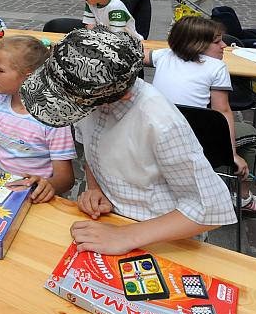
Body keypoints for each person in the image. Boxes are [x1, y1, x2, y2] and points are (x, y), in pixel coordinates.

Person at [20, 27, 237, 255]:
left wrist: (126, 235)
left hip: (159, 237)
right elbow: (91, 148)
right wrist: (95, 188)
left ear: (121, 96)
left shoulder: (160, 122)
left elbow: (209, 208)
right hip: (111, 222)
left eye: (75, 101)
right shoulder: (92, 100)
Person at [146, 16, 256, 213]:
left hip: (156, 134)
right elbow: (222, 111)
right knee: (252, 136)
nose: (224, 45)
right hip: (194, 141)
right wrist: (231, 153)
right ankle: (242, 197)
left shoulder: (164, 55)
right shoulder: (216, 67)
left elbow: (142, 55)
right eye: (217, 42)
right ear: (196, 44)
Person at [0, 36, 76, 204]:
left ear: (28, 77)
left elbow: (65, 178)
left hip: (36, 198)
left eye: (0, 70)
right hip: (0, 191)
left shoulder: (53, 116)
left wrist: (48, 185)